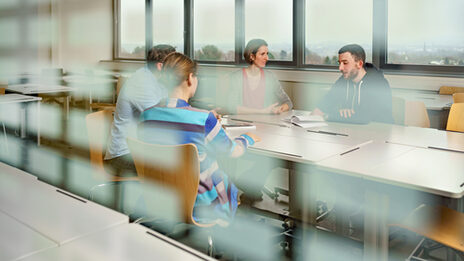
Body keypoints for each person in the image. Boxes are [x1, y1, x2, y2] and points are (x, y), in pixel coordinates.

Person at [137, 52, 260, 223]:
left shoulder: (146, 116)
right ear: (190, 78)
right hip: (201, 204)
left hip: (159, 198)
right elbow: (233, 151)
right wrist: (247, 138)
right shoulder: (204, 119)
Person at [104, 44, 176, 176]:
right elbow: (159, 118)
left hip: (142, 150)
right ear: (160, 66)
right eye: (174, 65)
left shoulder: (158, 81)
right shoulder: (141, 82)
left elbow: (172, 108)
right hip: (122, 156)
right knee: (176, 169)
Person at [312, 44, 393, 124]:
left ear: (359, 64)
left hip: (378, 132)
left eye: (345, 63)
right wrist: (317, 112)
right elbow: (327, 102)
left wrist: (329, 115)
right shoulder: (344, 80)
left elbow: (363, 117)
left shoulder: (378, 84)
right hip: (352, 130)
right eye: (339, 63)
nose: (340, 68)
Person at [223, 38, 293, 114]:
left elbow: (288, 103)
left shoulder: (270, 77)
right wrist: (262, 112)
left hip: (266, 123)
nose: (267, 58)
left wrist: (280, 109)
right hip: (242, 123)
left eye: (267, 54)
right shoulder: (236, 77)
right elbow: (232, 107)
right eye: (262, 54)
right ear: (252, 56)